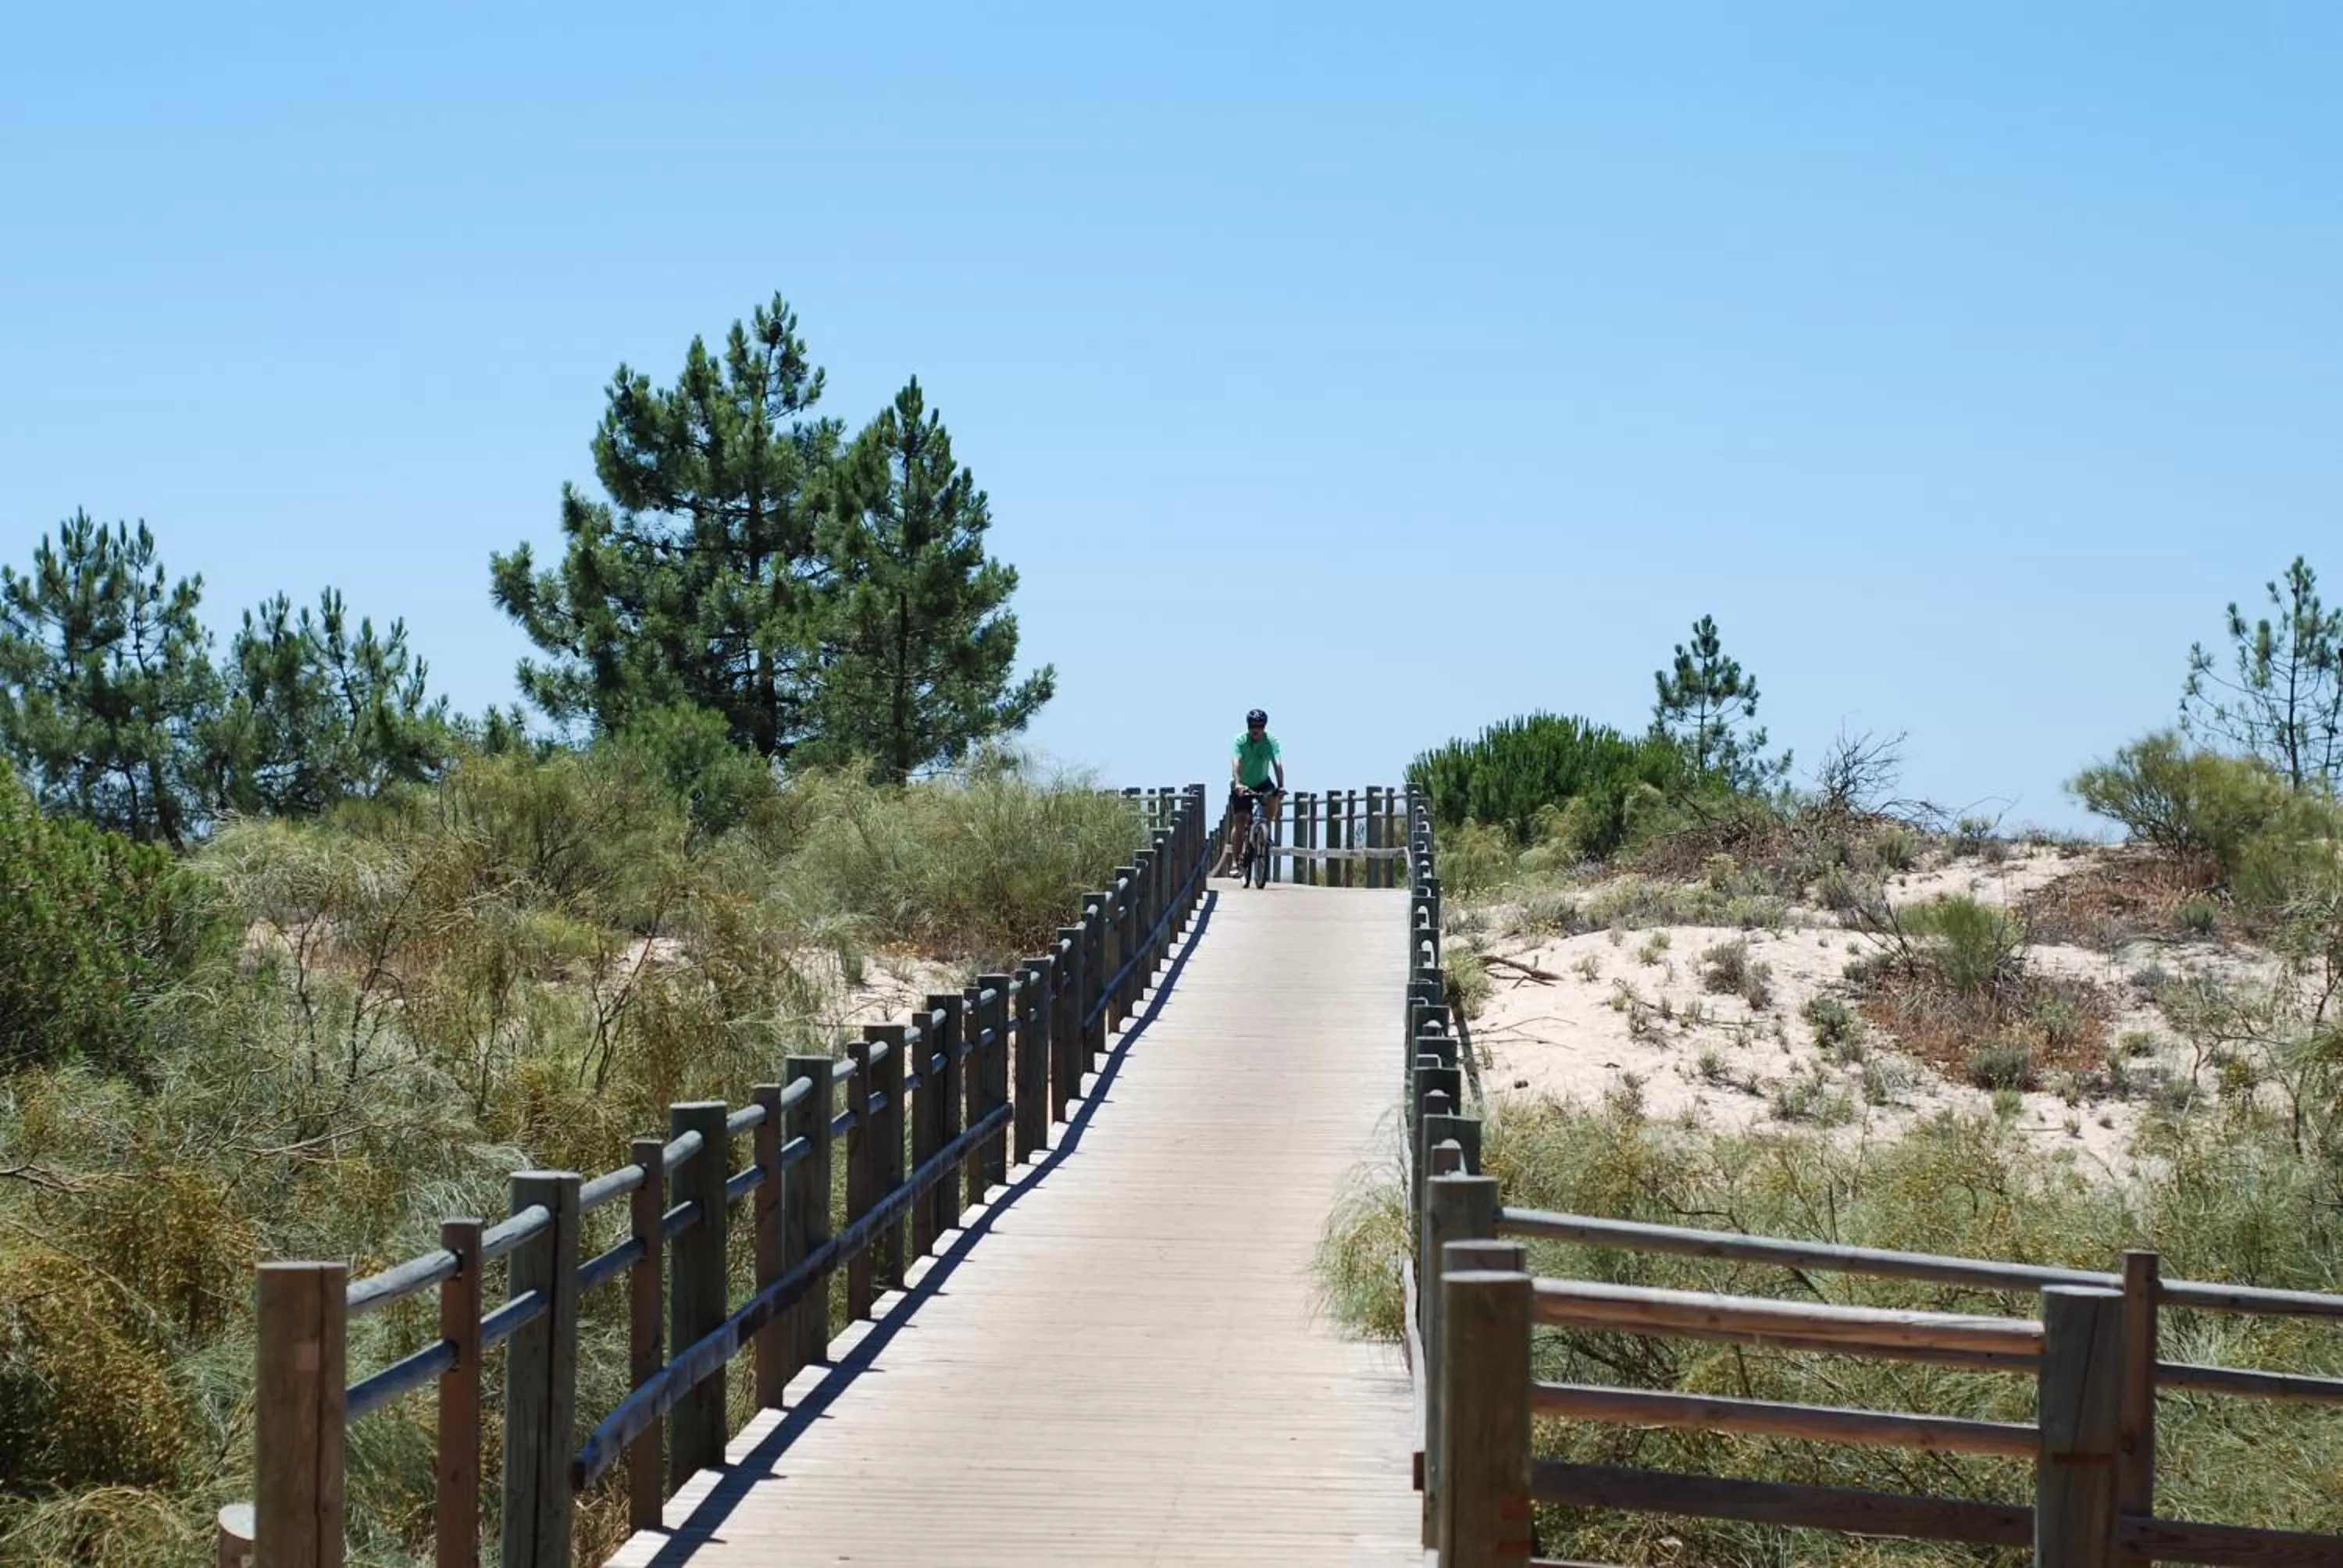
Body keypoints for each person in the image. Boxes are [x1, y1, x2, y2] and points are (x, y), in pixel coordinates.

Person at [1226, 708, 1286, 879]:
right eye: (1253, 726)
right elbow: (1236, 763)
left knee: (1274, 795)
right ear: (1248, 726)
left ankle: (1264, 830)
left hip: (1262, 782)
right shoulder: (1241, 741)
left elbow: (1277, 763)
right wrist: (1238, 783)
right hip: (1242, 784)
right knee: (1240, 820)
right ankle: (1235, 862)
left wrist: (1281, 785)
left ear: (1264, 727)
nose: (1256, 729)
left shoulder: (1270, 741)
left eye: (1260, 726)